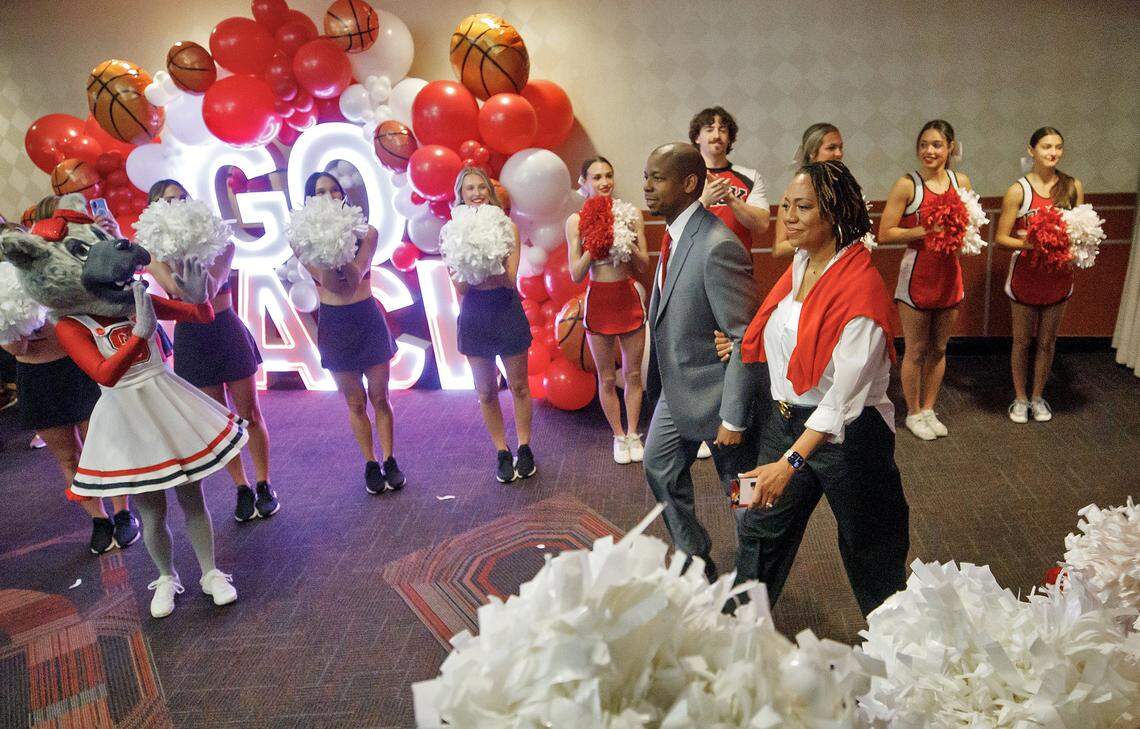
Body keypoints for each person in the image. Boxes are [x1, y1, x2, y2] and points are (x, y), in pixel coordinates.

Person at [731, 160, 909, 616]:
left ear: (832, 215)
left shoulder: (862, 291)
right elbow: (786, 335)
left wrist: (788, 464)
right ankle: (736, 642)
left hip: (850, 439)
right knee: (752, 522)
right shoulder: (799, 261)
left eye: (802, 207)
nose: (787, 215)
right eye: (785, 204)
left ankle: (898, 660)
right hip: (783, 422)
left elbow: (841, 403)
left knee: (871, 548)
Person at [642, 143, 761, 582]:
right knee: (658, 465)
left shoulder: (717, 246)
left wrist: (734, 416)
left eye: (657, 178)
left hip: (722, 396)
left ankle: (754, 580)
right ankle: (695, 554)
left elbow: (744, 336)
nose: (647, 187)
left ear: (689, 183)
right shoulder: (674, 234)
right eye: (646, 177)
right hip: (678, 388)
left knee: (745, 498)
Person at [1, 217, 139, 555]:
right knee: (69, 459)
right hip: (36, 379)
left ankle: (123, 513)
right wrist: (22, 333)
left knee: (102, 444)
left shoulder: (46, 268)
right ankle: (99, 520)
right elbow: (15, 348)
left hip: (77, 366)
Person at [145, 180, 280, 521]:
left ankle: (264, 484)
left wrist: (194, 249)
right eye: (167, 201)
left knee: (249, 413)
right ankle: (242, 487)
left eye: (181, 198)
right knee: (220, 421)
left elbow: (207, 288)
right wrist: (174, 253)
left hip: (226, 329)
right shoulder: (155, 254)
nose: (176, 205)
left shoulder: (223, 243)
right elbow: (181, 292)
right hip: (192, 336)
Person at [303, 172, 404, 494]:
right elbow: (332, 286)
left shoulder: (367, 233)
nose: (329, 195)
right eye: (321, 192)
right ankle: (371, 463)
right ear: (310, 199)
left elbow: (355, 278)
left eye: (335, 190)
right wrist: (325, 246)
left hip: (367, 318)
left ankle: (390, 459)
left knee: (380, 397)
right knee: (356, 402)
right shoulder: (301, 240)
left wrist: (341, 246)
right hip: (335, 323)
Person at [878, 120, 973, 441]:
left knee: (939, 347)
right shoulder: (908, 184)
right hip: (917, 276)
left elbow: (969, 227)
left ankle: (930, 408)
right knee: (916, 349)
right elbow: (885, 232)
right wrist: (924, 231)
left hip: (949, 274)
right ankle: (914, 412)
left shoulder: (961, 183)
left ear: (950, 148)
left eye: (937, 145)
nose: (929, 151)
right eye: (924, 145)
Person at [447, 166, 536, 483]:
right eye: (468, 188)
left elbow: (510, 280)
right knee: (486, 392)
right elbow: (459, 287)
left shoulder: (508, 227)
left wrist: (489, 257)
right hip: (475, 315)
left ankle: (524, 447)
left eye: (481, 187)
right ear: (460, 196)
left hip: (505, 308)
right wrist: (468, 261)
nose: (476, 193)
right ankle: (501, 451)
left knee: (519, 386)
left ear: (490, 191)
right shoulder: (452, 232)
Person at [993, 127, 1084, 423]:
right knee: (1021, 341)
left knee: (1047, 342)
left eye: (1058, 147)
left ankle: (1037, 396)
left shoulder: (1072, 187)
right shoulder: (1018, 190)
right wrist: (1032, 244)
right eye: (1046, 146)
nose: (1053, 152)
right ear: (1032, 150)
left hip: (1058, 276)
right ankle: (1019, 398)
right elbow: (1001, 237)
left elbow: (1081, 231)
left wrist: (1069, 247)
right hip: (1026, 275)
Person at [566, 157, 650, 464]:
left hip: (626, 298)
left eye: (608, 176)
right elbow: (575, 273)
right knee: (605, 377)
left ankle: (633, 433)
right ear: (584, 183)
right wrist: (595, 246)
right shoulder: (575, 221)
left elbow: (644, 265)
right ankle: (617, 435)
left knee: (633, 374)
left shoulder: (630, 214)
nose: (604, 182)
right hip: (598, 301)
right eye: (596, 177)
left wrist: (625, 241)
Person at [689, 107, 771, 248]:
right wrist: (704, 201)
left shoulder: (750, 177)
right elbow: (674, 225)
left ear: (729, 138)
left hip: (736, 264)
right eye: (709, 129)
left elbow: (762, 225)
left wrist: (731, 199)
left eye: (723, 130)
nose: (717, 135)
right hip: (694, 262)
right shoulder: (685, 177)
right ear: (697, 137)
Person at [773, 123, 845, 258]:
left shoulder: (846, 189)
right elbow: (780, 248)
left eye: (840, 147)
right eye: (831, 148)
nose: (839, 153)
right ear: (812, 152)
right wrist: (823, 238)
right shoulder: (795, 193)